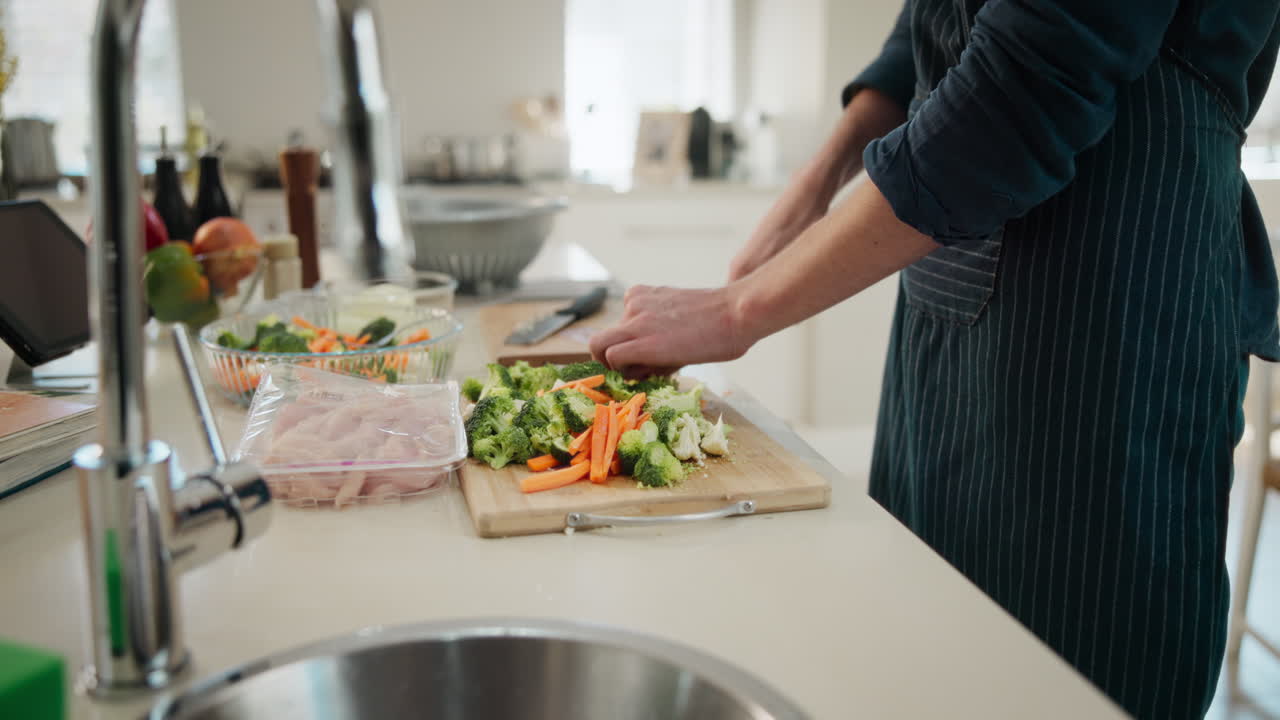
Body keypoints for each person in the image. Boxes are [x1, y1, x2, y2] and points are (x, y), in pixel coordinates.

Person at [589, 2, 1280, 718]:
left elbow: (1029, 80)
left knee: (1076, 666)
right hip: (949, 284)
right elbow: (932, 21)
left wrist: (739, 311)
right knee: (930, 641)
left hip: (1115, 286)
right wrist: (817, 181)